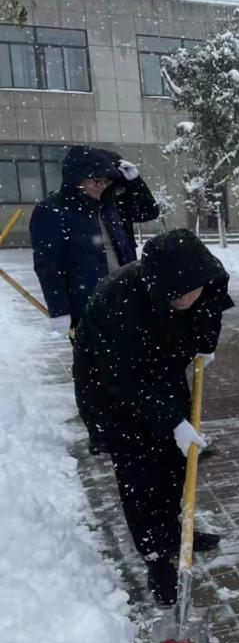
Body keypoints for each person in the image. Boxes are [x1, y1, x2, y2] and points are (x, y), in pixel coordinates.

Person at [72, 230, 235, 606]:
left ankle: (175, 532)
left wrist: (205, 344)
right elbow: (123, 381)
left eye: (192, 292)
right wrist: (172, 422)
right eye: (176, 296)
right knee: (140, 479)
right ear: (158, 286)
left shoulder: (204, 283)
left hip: (161, 371)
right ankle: (157, 559)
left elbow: (207, 311)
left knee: (175, 465)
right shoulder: (117, 302)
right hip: (112, 393)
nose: (186, 300)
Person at [30, 146, 160, 451]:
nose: (102, 186)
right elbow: (47, 265)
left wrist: (135, 182)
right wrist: (60, 310)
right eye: (96, 181)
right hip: (87, 304)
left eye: (106, 181)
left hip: (127, 298)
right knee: (95, 373)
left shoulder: (110, 204)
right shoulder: (52, 211)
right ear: (77, 178)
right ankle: (102, 435)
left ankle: (137, 423)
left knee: (134, 365)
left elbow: (148, 212)